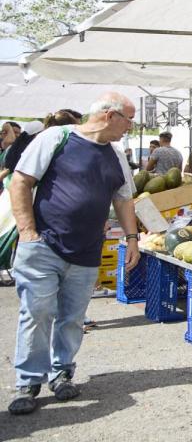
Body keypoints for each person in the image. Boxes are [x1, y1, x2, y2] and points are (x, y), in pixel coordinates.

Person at [7, 92, 141, 415]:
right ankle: (28, 381)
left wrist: (132, 237)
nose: (130, 128)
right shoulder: (57, 138)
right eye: (129, 120)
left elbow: (123, 199)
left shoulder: (116, 155)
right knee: (36, 312)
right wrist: (28, 232)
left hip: (86, 251)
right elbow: (20, 182)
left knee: (72, 317)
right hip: (44, 245)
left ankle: (61, 371)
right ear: (110, 116)